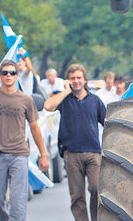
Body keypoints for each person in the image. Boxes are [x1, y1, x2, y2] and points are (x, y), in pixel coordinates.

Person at [0, 60, 48, 221]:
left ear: (16, 75)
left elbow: (35, 127)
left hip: (19, 155)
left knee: (18, 200)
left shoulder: (26, 100)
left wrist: (43, 154)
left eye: (12, 73)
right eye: (5, 73)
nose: (8, 75)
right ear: (0, 76)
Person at [43, 64, 106, 221]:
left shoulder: (95, 100)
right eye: (73, 78)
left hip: (93, 153)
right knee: (77, 195)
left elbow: (108, 123)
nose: (76, 81)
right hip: (72, 154)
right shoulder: (64, 99)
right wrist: (66, 91)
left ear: (85, 80)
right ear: (68, 80)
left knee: (96, 188)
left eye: (79, 78)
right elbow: (47, 106)